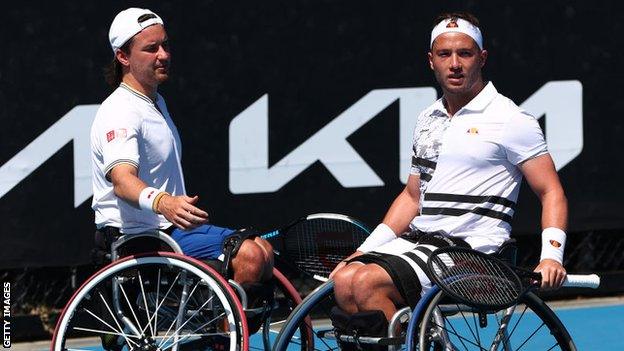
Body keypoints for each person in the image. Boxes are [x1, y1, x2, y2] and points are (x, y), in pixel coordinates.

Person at [329, 11, 568, 343]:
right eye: (445, 54)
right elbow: (412, 197)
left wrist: (551, 257)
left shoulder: (512, 119)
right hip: (422, 246)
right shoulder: (428, 117)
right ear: (431, 61)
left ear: (482, 58)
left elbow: (550, 191)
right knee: (345, 278)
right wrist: (367, 248)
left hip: (474, 254)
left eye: (465, 54)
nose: (455, 63)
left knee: (367, 282)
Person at [90, 8, 273, 285]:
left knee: (264, 250)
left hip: (167, 231)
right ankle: (226, 330)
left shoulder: (155, 102)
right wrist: (164, 202)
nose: (163, 55)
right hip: (137, 238)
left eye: (165, 45)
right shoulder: (120, 111)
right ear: (123, 57)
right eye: (151, 48)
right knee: (250, 256)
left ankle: (233, 326)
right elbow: (122, 181)